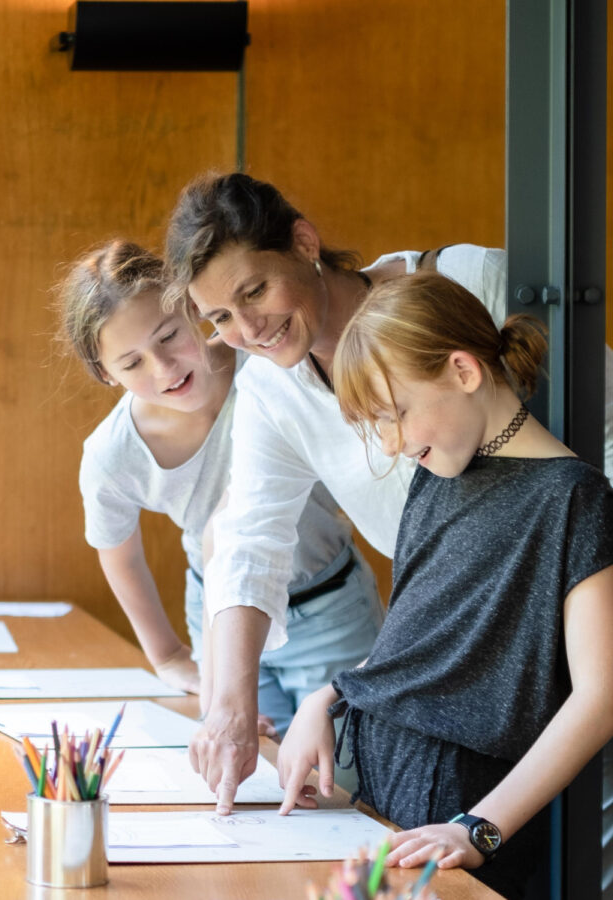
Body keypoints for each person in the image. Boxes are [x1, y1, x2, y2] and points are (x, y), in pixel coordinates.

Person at [164, 173, 613, 898]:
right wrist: (286, 701)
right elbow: (256, 545)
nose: (247, 328)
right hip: (452, 738)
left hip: (580, 649)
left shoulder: (482, 306)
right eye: (219, 318)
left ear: (303, 243)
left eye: (255, 291)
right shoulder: (390, 452)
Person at [277, 272, 613, 899]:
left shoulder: (573, 499)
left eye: (396, 415)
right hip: (386, 789)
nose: (391, 444)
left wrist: (479, 828)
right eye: (376, 424)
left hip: (464, 811)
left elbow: (601, 698)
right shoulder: (439, 474)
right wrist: (325, 698)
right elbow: (420, 643)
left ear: (464, 371)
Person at [55, 240, 384, 736]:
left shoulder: (270, 366)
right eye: (132, 363)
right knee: (251, 763)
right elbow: (119, 555)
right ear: (106, 373)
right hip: (217, 617)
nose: (164, 368)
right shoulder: (112, 453)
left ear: (193, 308)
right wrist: (168, 655)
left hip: (328, 604)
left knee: (345, 763)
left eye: (168, 336)